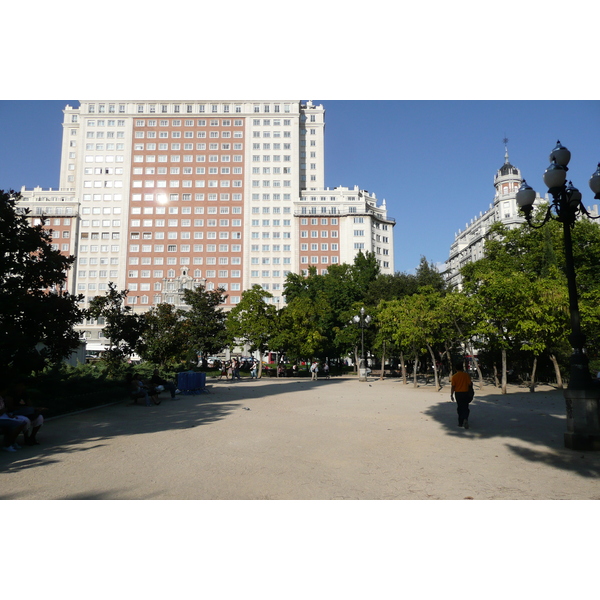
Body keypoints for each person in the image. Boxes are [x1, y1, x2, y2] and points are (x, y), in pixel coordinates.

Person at [450, 362, 474, 429]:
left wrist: (451, 395)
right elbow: (470, 384)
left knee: (460, 407)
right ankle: (465, 418)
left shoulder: (454, 376)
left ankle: (460, 422)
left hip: (458, 393)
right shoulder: (466, 375)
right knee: (465, 407)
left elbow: (453, 387)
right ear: (462, 368)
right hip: (465, 393)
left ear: (456, 369)